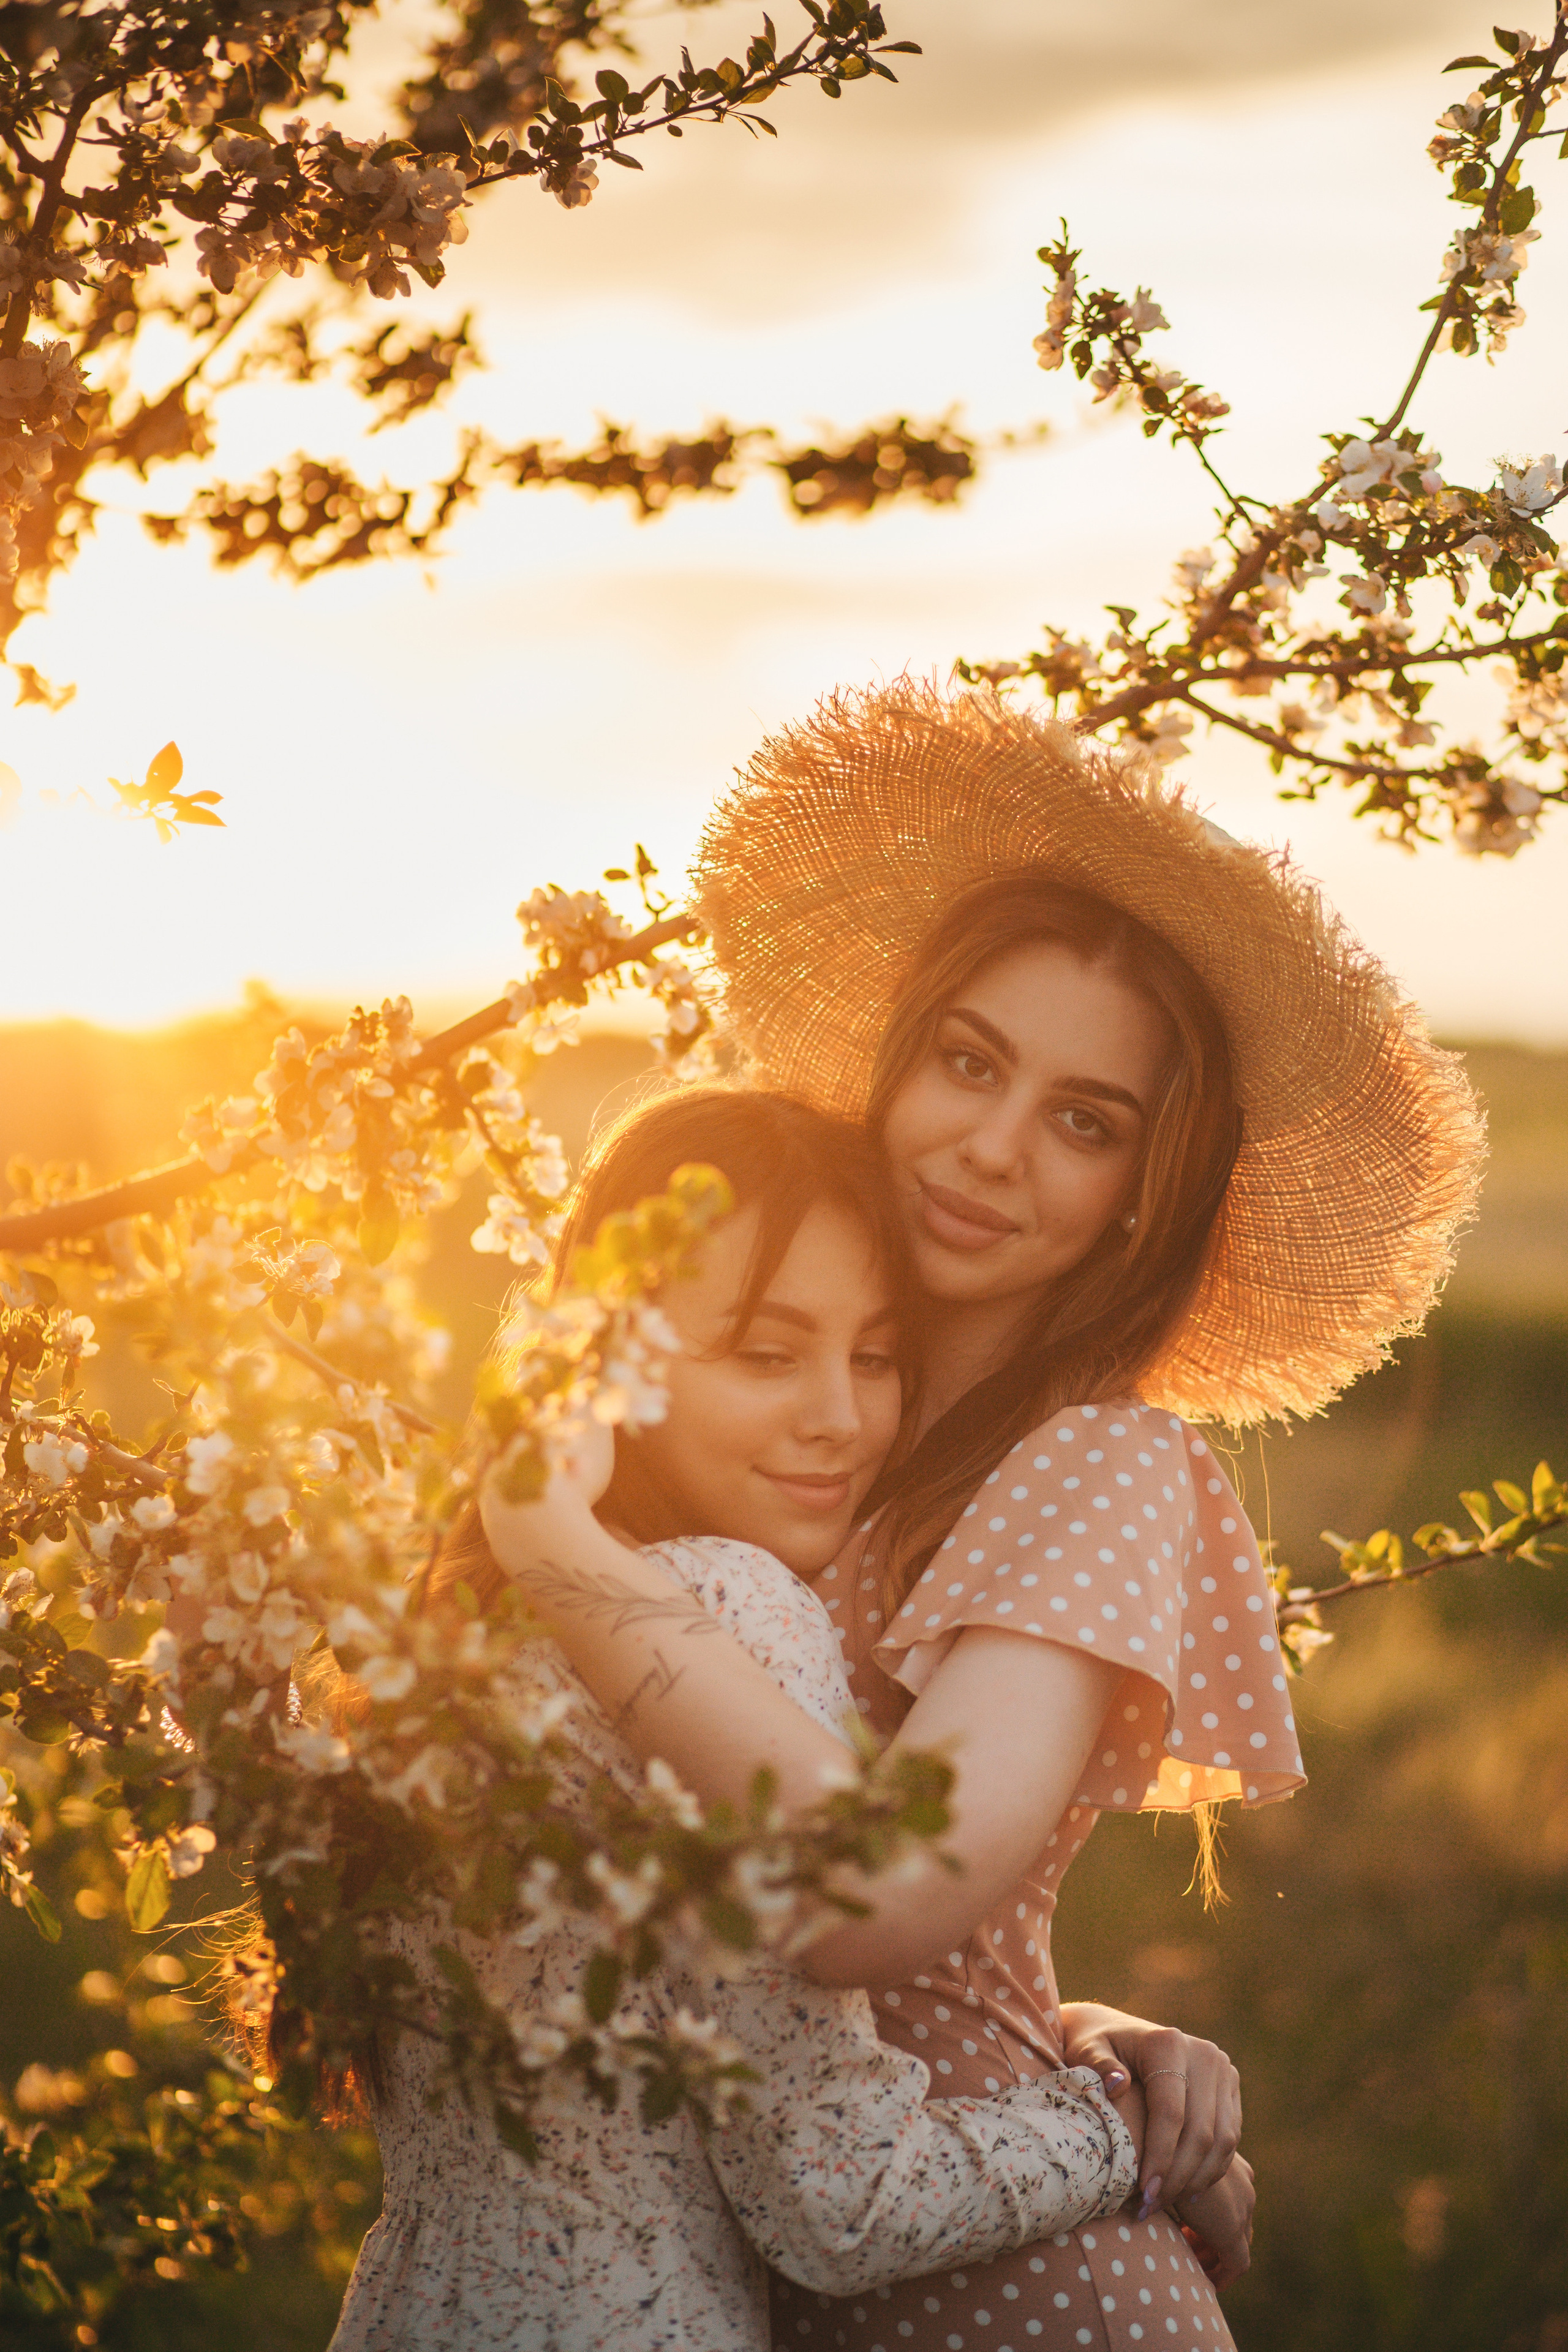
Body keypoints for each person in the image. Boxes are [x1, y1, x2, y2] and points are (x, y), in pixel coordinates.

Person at [480, 682, 1484, 2351]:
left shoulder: (1100, 1468)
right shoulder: (810, 1434)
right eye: (969, 1062)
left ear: (1139, 1196)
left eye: (1085, 1123)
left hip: (1026, 2304)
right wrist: (1093, 2034)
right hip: (766, 2271)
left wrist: (560, 1558)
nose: (993, 1149)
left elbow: (891, 1905)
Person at [332, 1088, 1237, 2352]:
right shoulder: (726, 1604)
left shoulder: (455, 1641)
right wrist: (1124, 2131)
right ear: (606, 1372)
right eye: (766, 1352)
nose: (841, 1416)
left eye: (875, 1356)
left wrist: (1080, 2025)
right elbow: (843, 2203)